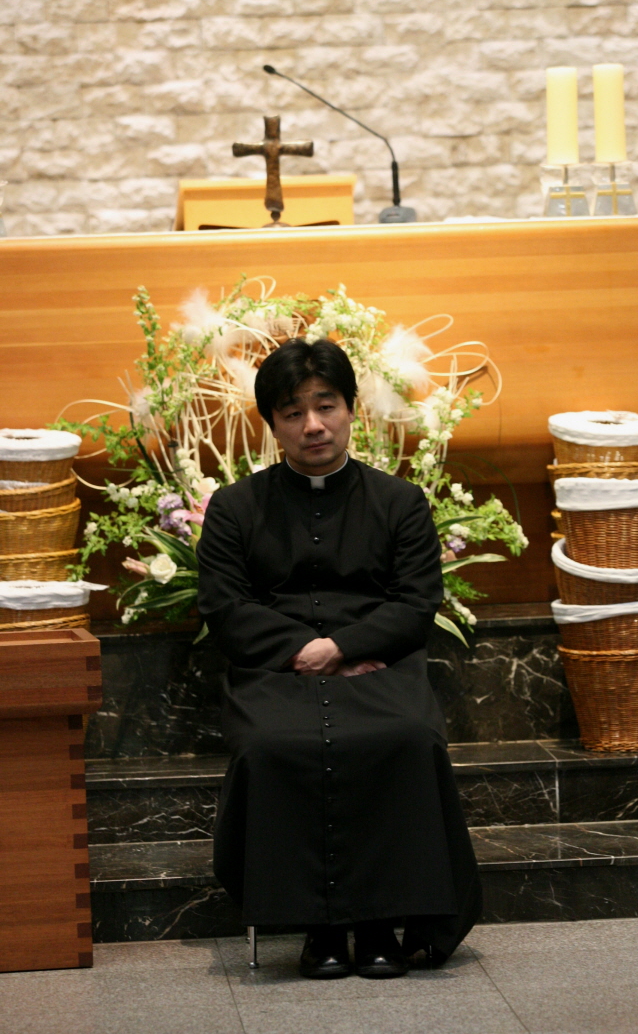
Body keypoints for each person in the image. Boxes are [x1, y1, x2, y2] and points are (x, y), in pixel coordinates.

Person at [196, 337, 482, 980]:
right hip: (276, 670)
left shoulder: (399, 502)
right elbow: (225, 606)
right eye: (293, 412)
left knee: (406, 736)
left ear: (353, 409)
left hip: (378, 664)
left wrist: (345, 647)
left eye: (326, 406)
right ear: (272, 424)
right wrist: (311, 652)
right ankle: (319, 930)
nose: (313, 425)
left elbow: (417, 602)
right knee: (270, 744)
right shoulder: (236, 509)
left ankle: (383, 924)